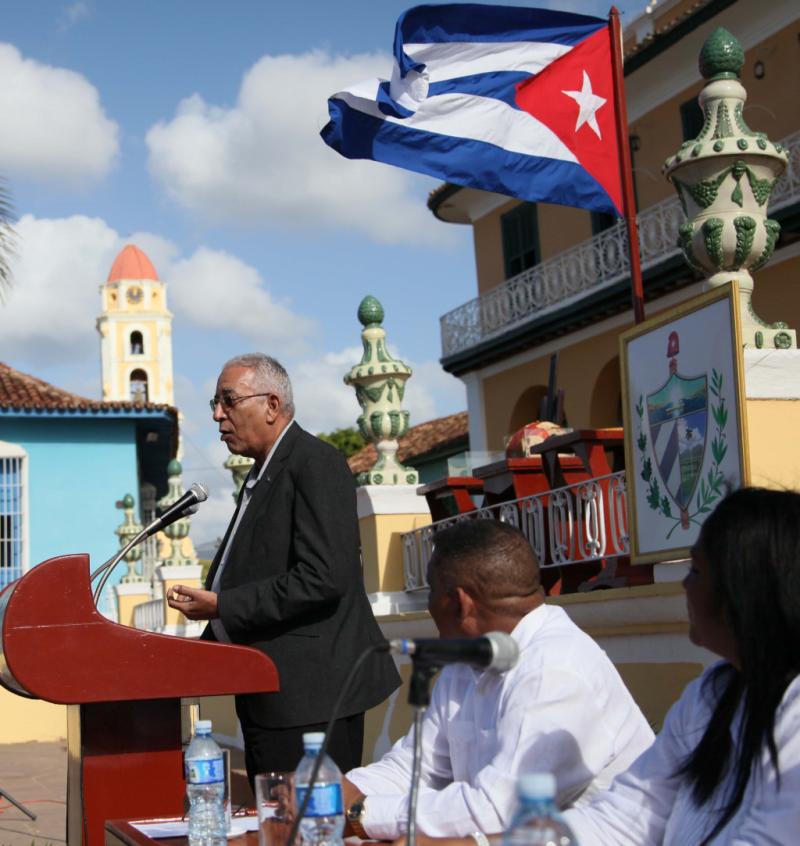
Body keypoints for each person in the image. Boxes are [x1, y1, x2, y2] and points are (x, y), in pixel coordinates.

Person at [342, 519, 654, 840]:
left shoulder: (555, 670)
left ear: (460, 603)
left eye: (431, 592)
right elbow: (416, 766)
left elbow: (495, 809)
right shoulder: (465, 661)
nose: (429, 606)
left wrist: (360, 813)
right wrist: (330, 794)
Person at [167, 353, 400, 782]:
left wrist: (223, 606)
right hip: (270, 692)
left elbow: (324, 576)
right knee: (273, 822)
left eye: (229, 401)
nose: (218, 415)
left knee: (306, 824)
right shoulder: (263, 473)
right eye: (215, 404)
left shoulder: (315, 463)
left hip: (312, 696)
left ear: (272, 405)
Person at [561, 487, 800, 845]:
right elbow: (629, 814)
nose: (685, 586)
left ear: (743, 589)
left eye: (697, 571)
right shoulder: (713, 694)